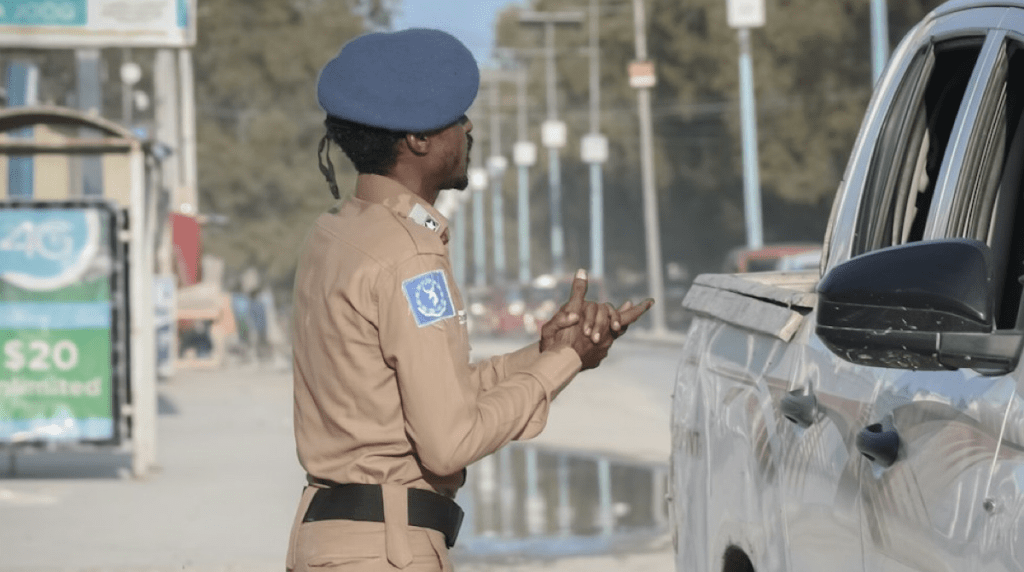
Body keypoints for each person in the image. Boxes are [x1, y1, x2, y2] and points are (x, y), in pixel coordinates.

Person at [286, 28, 654, 572]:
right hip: (386, 549)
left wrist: (547, 351)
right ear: (417, 138)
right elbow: (448, 441)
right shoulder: (410, 259)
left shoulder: (336, 235)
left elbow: (419, 397)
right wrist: (566, 363)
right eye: (457, 116)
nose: (468, 128)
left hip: (329, 539)